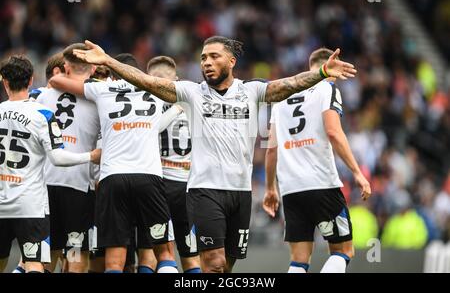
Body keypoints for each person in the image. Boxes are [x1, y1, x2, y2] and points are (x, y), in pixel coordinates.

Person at [67, 36, 356, 273]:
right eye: (204, 57)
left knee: (226, 266)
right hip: (204, 191)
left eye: (214, 56)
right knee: (213, 264)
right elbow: (148, 82)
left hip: (240, 192)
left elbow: (288, 85)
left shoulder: (251, 91)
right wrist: (109, 62)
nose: (207, 62)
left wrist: (320, 73)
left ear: (232, 61)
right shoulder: (191, 93)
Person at [49, 53, 177, 273]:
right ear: (139, 73)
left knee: (113, 263)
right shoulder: (156, 90)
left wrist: (95, 78)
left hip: (112, 179)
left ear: (111, 75)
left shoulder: (101, 90)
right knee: (164, 253)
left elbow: (56, 80)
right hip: (149, 177)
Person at [263, 48, 371, 273]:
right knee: (343, 251)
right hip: (321, 184)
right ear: (331, 66)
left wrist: (270, 188)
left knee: (299, 260)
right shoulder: (327, 87)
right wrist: (358, 173)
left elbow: (271, 149)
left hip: (290, 189)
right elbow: (333, 131)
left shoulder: (282, 97)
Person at [0, 55, 100, 273]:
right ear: (30, 80)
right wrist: (92, 156)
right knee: (68, 254)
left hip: (24, 193)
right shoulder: (96, 98)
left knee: (39, 256)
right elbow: (58, 156)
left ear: (4, 81)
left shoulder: (41, 96)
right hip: (55, 195)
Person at [35, 43, 101, 273]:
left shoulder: (41, 97)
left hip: (45, 186)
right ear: (93, 69)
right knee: (75, 254)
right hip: (78, 188)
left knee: (47, 253)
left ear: (65, 67)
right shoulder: (99, 100)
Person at [147, 56, 201, 273]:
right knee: (190, 256)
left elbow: (153, 128)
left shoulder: (146, 104)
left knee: (157, 254)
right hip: (187, 185)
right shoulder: (194, 104)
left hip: (159, 183)